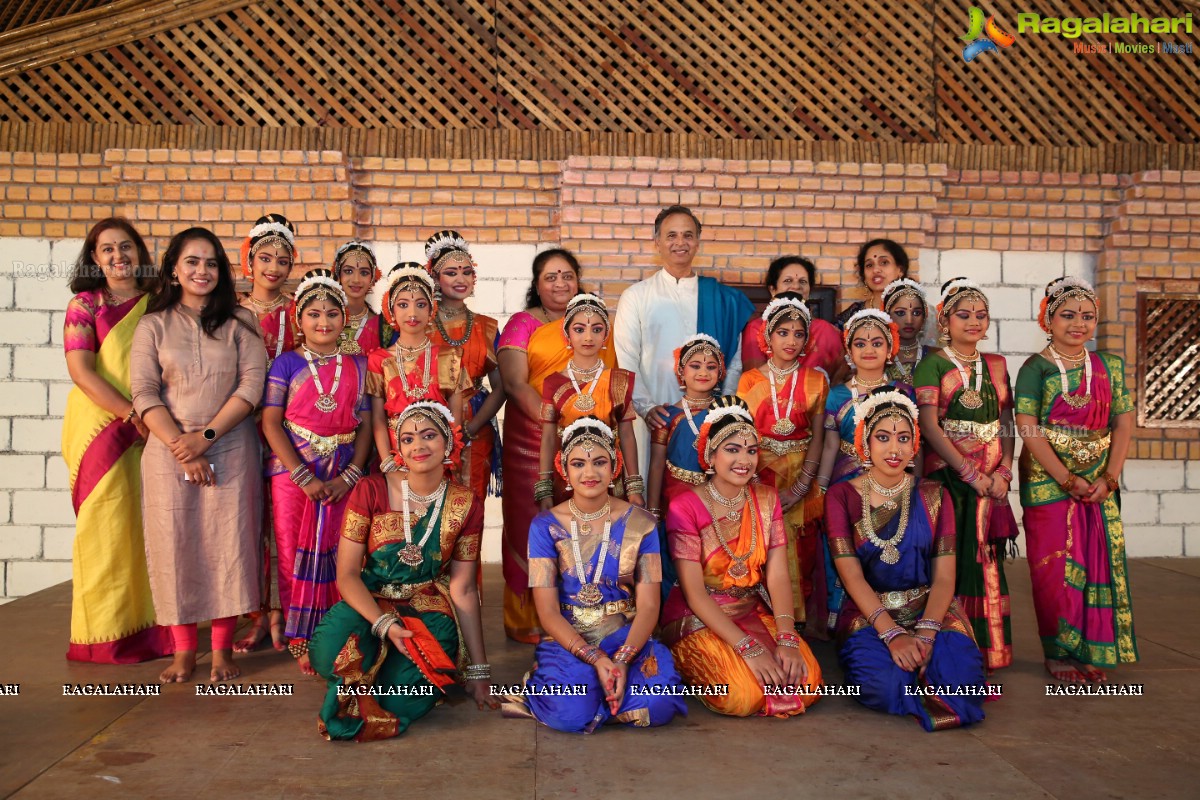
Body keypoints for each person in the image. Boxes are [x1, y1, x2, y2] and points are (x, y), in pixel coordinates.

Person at [308, 402, 497, 741]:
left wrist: (480, 672)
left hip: (428, 608)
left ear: (449, 443)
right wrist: (384, 625)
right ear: (398, 448)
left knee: (405, 700)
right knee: (327, 653)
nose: (418, 446)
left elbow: (464, 589)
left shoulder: (466, 504)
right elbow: (347, 574)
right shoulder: (371, 489)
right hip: (370, 601)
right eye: (408, 439)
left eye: (428, 436)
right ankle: (372, 668)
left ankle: (377, 681)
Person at [130, 227, 266, 683]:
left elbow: (251, 387)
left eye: (211, 263)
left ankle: (223, 650)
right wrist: (181, 447)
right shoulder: (153, 325)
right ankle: (184, 652)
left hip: (230, 448)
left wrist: (204, 438)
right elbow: (144, 393)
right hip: (168, 455)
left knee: (228, 544)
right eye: (192, 262)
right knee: (176, 546)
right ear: (173, 269)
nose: (202, 271)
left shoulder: (241, 324)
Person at [502, 418, 686, 732]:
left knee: (659, 700)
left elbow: (650, 606)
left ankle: (598, 695)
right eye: (579, 463)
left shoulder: (641, 523)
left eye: (600, 462)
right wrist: (595, 658)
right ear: (564, 470)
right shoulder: (545, 526)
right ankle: (573, 688)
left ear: (615, 467)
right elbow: (546, 610)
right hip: (569, 635)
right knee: (567, 713)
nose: (590, 473)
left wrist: (623, 660)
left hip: (625, 634)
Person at [826, 389, 987, 731]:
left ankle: (930, 673)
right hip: (870, 613)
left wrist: (926, 633)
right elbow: (851, 577)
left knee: (964, 684)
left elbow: (945, 577)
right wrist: (893, 635)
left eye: (903, 438)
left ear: (915, 445)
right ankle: (918, 679)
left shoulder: (933, 493)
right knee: (882, 687)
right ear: (864, 443)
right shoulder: (842, 495)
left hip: (930, 606)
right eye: (883, 438)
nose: (894, 449)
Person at [661, 396, 822, 718]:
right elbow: (694, 594)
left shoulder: (766, 499)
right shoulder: (685, 506)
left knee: (807, 683)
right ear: (710, 454)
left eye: (751, 450)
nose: (744, 460)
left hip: (750, 607)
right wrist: (748, 648)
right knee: (741, 695)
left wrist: (788, 639)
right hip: (697, 616)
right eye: (732, 449)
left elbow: (776, 575)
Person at [62, 217, 172, 663]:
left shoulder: (159, 303)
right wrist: (131, 414)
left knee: (147, 528)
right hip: (100, 429)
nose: (118, 256)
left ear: (139, 253)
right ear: (94, 258)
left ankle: (157, 633)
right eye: (107, 249)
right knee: (104, 528)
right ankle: (102, 636)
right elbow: (81, 370)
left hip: (152, 427)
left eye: (125, 247)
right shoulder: (84, 305)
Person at [1016, 277, 1137, 683]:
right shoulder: (1035, 368)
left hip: (1100, 481)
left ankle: (1090, 649)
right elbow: (1027, 427)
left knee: (1095, 560)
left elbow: (1123, 421)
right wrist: (1067, 479)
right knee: (1053, 568)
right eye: (1067, 315)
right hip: (1048, 481)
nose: (1078, 324)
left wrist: (1111, 477)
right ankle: (1058, 651)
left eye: (1087, 316)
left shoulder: (1110, 366)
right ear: (1047, 319)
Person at [497, 249, 615, 643]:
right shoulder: (523, 323)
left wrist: (585, 431)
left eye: (567, 275)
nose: (560, 283)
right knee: (531, 519)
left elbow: (609, 379)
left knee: (582, 522)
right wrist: (560, 422)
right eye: (550, 277)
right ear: (537, 283)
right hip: (532, 437)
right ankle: (531, 617)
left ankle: (580, 611)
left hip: (586, 441)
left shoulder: (593, 322)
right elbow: (515, 384)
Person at [261, 269, 372, 675]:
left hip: (344, 473)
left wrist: (353, 474)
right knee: (293, 556)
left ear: (345, 319)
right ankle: (302, 640)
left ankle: (339, 635)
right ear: (298, 318)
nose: (323, 322)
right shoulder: (285, 363)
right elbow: (271, 422)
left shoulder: (360, 365)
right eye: (313, 314)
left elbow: (364, 424)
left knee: (343, 554)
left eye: (331, 313)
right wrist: (302, 476)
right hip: (293, 475)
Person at [914, 278, 1018, 671]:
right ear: (946, 321)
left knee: (988, 559)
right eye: (964, 315)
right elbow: (928, 425)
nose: (974, 321)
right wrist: (969, 473)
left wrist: (1004, 472)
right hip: (949, 481)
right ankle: (952, 652)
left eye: (981, 315)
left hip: (993, 485)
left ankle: (993, 649)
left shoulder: (996, 364)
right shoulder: (934, 363)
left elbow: (1006, 421)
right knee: (952, 561)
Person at [613, 205, 755, 474]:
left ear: (698, 242)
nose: (680, 242)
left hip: (709, 417)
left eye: (688, 235)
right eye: (671, 235)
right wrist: (646, 407)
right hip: (654, 417)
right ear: (657, 242)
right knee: (651, 486)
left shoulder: (722, 300)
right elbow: (627, 359)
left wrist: (722, 409)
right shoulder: (636, 296)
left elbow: (734, 361)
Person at [814, 309, 915, 636]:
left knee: (888, 545)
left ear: (890, 348)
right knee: (846, 548)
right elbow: (830, 446)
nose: (868, 349)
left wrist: (916, 486)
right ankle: (843, 616)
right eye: (860, 343)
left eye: (876, 342)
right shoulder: (837, 394)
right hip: (846, 483)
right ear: (849, 351)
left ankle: (892, 612)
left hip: (894, 482)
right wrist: (821, 490)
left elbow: (915, 445)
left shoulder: (902, 392)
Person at [736, 293, 828, 625]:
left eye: (798, 333)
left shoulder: (817, 380)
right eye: (783, 332)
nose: (790, 340)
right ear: (768, 336)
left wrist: (802, 486)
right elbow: (743, 434)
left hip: (802, 475)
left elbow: (819, 435)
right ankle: (766, 618)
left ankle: (796, 623)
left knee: (801, 550)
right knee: (762, 544)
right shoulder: (751, 380)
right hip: (759, 475)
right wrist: (756, 481)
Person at [234, 213, 298, 653]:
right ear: (248, 262)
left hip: (288, 430)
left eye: (282, 259)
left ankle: (284, 613)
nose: (272, 267)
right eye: (265, 257)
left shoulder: (301, 310)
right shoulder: (232, 314)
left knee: (282, 523)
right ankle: (255, 615)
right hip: (238, 428)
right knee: (245, 520)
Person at [537, 293, 642, 509]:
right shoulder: (553, 383)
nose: (588, 337)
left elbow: (627, 435)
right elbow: (548, 439)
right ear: (567, 333)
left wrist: (634, 487)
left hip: (611, 476)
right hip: (566, 477)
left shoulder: (618, 380)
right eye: (579, 329)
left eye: (596, 329)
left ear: (606, 335)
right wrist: (545, 488)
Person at [424, 230, 506, 502]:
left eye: (467, 272)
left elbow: (501, 386)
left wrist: (470, 430)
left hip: (476, 429)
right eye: (451, 272)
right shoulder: (420, 324)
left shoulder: (487, 326)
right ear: (434, 277)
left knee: (471, 509)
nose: (461, 279)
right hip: (427, 425)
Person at [646, 334, 725, 594]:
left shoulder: (727, 412)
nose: (703, 372)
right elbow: (657, 465)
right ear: (681, 371)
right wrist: (654, 511)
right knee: (675, 557)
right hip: (675, 499)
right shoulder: (667, 415)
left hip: (717, 497)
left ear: (721, 371)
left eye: (711, 366)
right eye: (695, 365)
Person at [366, 263, 447, 466]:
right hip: (395, 454)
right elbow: (377, 419)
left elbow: (455, 418)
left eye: (420, 305)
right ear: (390, 311)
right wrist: (387, 463)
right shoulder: (379, 360)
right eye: (403, 305)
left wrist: (446, 458)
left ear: (431, 311)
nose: (412, 313)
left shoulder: (448, 356)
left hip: (438, 456)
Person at [740, 256, 844, 379]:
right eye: (788, 281)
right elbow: (754, 379)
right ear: (772, 289)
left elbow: (839, 377)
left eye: (803, 281)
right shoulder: (756, 328)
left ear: (809, 290)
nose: (796, 286)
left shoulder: (827, 330)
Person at [835, 238, 910, 329]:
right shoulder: (854, 314)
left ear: (900, 270)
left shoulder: (916, 311)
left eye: (884, 262)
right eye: (869, 265)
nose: (875, 270)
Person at [332, 240, 385, 356]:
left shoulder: (384, 327)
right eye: (348, 271)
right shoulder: (324, 321)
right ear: (338, 274)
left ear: (372, 278)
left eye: (364, 273)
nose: (356, 279)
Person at [882, 278, 931, 385]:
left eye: (916, 313)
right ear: (887, 316)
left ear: (924, 317)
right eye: (900, 313)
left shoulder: (935, 356)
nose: (909, 321)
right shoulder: (878, 356)